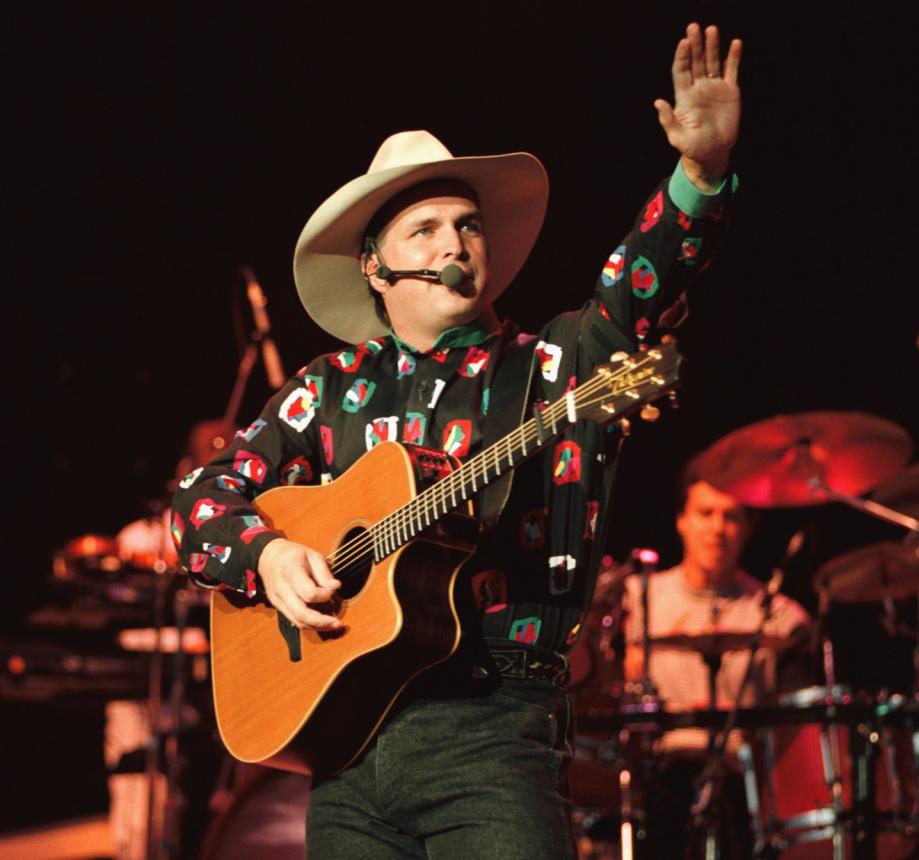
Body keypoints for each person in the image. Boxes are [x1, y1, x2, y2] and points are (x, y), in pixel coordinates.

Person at [172, 22, 742, 859]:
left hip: (494, 735)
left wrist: (699, 175)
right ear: (376, 268)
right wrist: (267, 558)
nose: (454, 244)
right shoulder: (327, 389)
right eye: (426, 229)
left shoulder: (555, 365)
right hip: (343, 752)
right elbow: (201, 501)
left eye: (468, 226)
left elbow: (639, 294)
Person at [620, 467, 812, 858]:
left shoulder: (782, 618)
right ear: (681, 521)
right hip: (658, 782)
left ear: (748, 526)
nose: (717, 528)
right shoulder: (637, 600)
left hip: (748, 793)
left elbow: (798, 734)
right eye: (705, 513)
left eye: (731, 516)